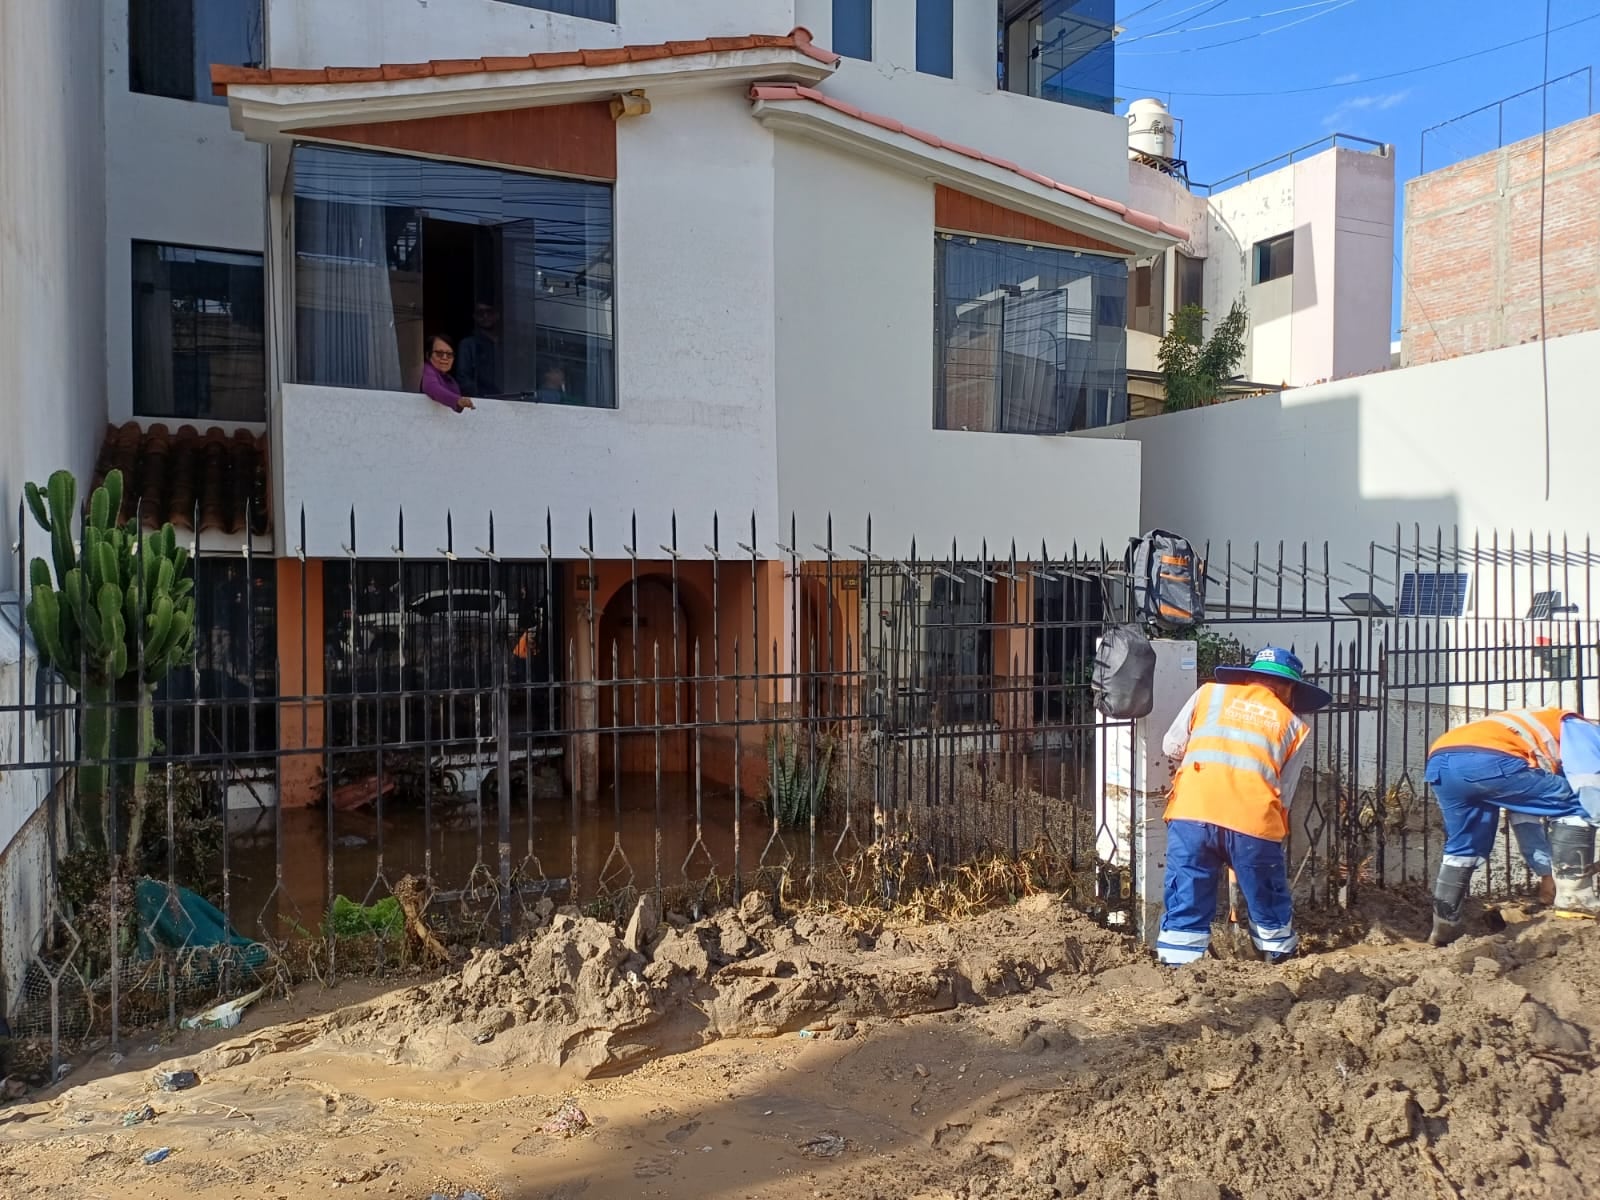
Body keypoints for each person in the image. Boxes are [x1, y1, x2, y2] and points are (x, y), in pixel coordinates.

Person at [1156, 647, 1332, 967]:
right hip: (1253, 823)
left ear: (1249, 677)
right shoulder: (1294, 726)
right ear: (1289, 689)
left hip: (1192, 812)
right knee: (1267, 896)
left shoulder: (1208, 694)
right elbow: (1285, 793)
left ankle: (1175, 968)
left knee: (1187, 892)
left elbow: (1172, 745)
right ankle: (1279, 960)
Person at [1424, 707, 1600, 945]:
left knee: (1464, 847)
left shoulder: (1531, 740)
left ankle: (1446, 925)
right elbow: (1590, 790)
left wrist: (1547, 873)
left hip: (1442, 762)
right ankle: (1575, 901)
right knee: (1576, 805)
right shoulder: (1584, 730)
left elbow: (1525, 819)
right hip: (1491, 759)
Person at [421, 334, 475, 414]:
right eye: (439, 353)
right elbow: (431, 387)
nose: (445, 357)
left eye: (449, 354)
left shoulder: (450, 380)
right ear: (428, 355)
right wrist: (457, 400)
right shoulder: (426, 369)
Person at [456, 303, 501, 397]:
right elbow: (463, 378)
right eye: (480, 313)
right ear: (474, 317)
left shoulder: (509, 345)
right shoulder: (468, 344)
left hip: (512, 400)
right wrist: (481, 397)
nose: (485, 316)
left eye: (489, 312)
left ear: (497, 314)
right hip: (482, 401)